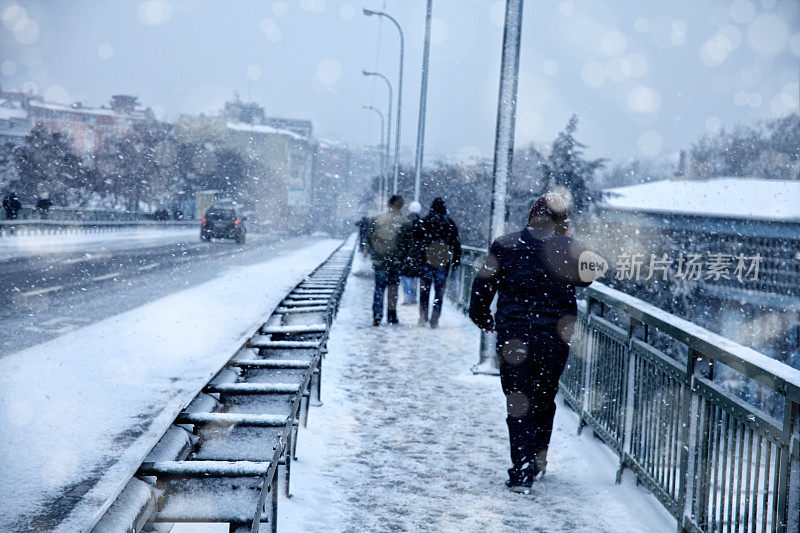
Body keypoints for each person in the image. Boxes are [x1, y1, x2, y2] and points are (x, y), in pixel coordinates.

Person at [468, 192, 597, 494]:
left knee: (518, 400)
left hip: (514, 335)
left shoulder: (505, 244)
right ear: (557, 221)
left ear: (530, 217)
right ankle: (539, 458)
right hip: (554, 337)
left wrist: (482, 316)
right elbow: (588, 277)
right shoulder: (569, 247)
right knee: (544, 398)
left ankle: (522, 467)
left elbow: (483, 285)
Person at [418, 197, 461, 328]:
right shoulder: (449, 223)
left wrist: (420, 257)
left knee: (424, 290)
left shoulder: (425, 221)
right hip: (443, 261)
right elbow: (456, 244)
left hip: (427, 260)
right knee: (439, 291)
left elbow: (418, 240)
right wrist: (455, 261)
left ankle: (423, 315)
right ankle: (435, 318)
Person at [367, 195, 407, 326]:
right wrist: (402, 257)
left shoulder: (378, 219)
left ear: (389, 204)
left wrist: (376, 252)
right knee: (393, 288)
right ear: (400, 205)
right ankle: (392, 315)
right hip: (396, 261)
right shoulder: (404, 221)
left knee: (379, 288)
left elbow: (369, 237)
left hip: (380, 259)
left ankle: (377, 314)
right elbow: (408, 243)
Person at [399, 201, 423, 304]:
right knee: (414, 278)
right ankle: (414, 297)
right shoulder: (422, 223)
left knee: (405, 277)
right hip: (417, 256)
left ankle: (407, 298)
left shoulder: (405, 222)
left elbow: (400, 239)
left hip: (406, 254)